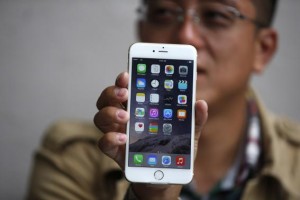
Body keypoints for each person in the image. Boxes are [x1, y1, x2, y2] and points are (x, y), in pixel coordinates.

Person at [27, 0, 300, 199]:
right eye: (163, 12)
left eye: (217, 15)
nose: (185, 36)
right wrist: (153, 195)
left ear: (262, 50)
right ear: (141, 28)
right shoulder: (70, 157)